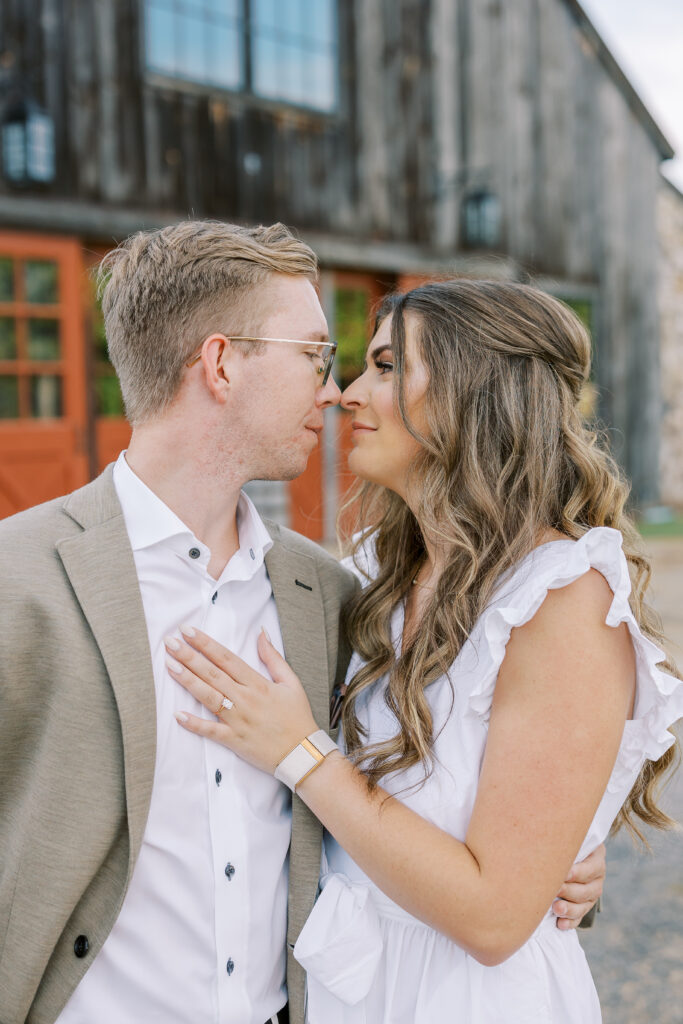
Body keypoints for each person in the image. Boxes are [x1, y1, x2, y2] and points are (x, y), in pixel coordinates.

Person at [0, 229, 600, 1024]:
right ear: (220, 365)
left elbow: (438, 780)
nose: (336, 389)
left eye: (363, 365)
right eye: (316, 355)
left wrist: (555, 861)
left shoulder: (333, 593)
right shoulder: (19, 576)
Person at [166, 279, 683, 1023]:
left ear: (473, 391)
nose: (346, 394)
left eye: (384, 367)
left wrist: (299, 751)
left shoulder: (560, 599)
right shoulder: (377, 572)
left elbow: (493, 918)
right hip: (355, 985)